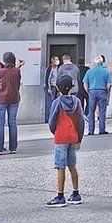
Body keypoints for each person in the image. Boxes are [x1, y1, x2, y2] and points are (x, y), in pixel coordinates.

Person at [46, 76, 84, 207]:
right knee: (72, 165)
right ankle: (76, 193)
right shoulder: (77, 101)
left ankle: (60, 195)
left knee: (60, 166)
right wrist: (79, 137)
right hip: (73, 136)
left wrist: (54, 131)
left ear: (58, 88)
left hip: (61, 136)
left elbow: (51, 121)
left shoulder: (57, 102)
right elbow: (81, 121)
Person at [0, 51, 22, 154]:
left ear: (4, 61)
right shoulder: (17, 71)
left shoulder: (1, 71)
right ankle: (13, 148)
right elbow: (18, 82)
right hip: (14, 98)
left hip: (1, 99)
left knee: (0, 124)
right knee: (12, 123)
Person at [83, 56, 112, 135]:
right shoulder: (106, 71)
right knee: (102, 111)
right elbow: (109, 84)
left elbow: (85, 84)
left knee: (91, 111)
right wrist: (106, 92)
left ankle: (91, 130)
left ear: (94, 63)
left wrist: (88, 92)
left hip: (92, 91)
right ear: (102, 62)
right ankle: (102, 130)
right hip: (102, 91)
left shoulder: (90, 71)